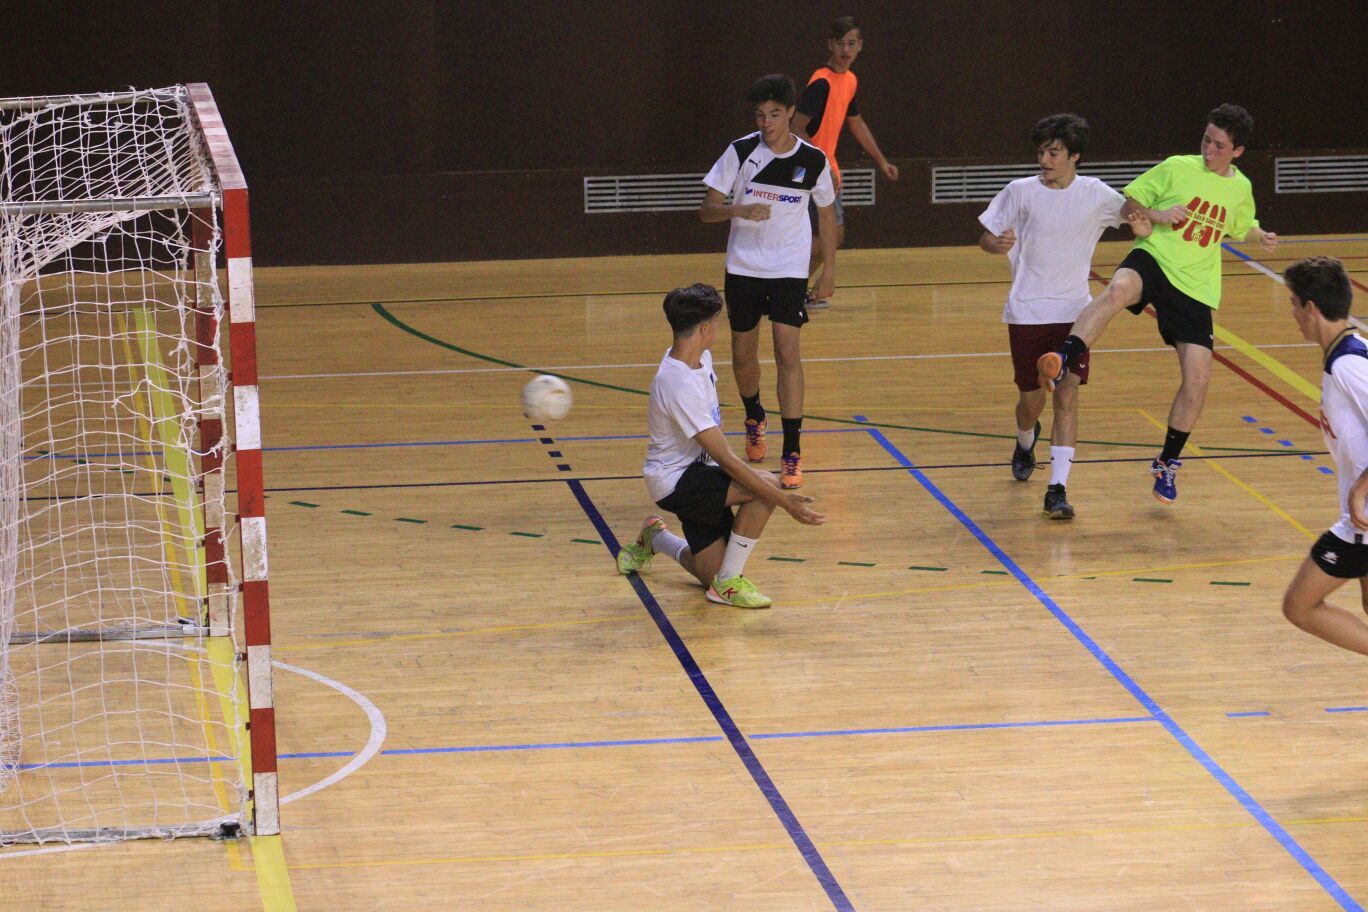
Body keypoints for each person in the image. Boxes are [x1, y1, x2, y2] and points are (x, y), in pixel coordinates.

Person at [1035, 103, 1278, 504]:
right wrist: (1158, 215)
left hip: (1195, 284)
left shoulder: (1240, 188)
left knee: (1198, 378)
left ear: (1237, 151)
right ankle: (1063, 357)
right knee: (1117, 290)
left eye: (1219, 145)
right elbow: (1130, 204)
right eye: (1206, 140)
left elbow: (1241, 225)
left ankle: (1167, 462)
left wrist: (1259, 236)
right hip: (1154, 258)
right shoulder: (1177, 167)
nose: (1208, 150)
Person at [978, 113, 1151, 519]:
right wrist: (995, 244)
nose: (1044, 160)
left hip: (1075, 315)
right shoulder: (1019, 191)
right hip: (1026, 313)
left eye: (1053, 153)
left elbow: (1132, 213)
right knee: (1031, 402)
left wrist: (1145, 222)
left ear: (1075, 156)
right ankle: (1025, 441)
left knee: (1067, 396)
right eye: (1041, 152)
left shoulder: (1095, 194)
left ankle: (1057, 489)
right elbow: (985, 236)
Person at [615, 284, 825, 608]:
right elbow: (726, 459)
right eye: (715, 322)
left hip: (700, 472)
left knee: (708, 572)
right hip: (677, 481)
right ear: (704, 328)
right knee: (766, 487)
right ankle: (727, 584)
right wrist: (786, 502)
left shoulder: (699, 358)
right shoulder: (677, 383)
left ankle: (656, 538)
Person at [701, 74, 836, 489]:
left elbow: (826, 214)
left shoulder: (813, 160)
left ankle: (792, 450)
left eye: (774, 114)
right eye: (760, 115)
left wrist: (829, 269)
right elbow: (707, 210)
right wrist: (739, 210)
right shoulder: (741, 152)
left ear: (791, 112)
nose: (767, 123)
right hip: (743, 268)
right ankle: (754, 414)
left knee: (787, 350)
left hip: (789, 270)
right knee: (743, 355)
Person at [1278, 258, 1368, 655]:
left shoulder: (1349, 365)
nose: (1293, 314)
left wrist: (1361, 488)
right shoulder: (1347, 354)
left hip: (1363, 524)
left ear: (1311, 308)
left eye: (1294, 303)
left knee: (1300, 606)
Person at [792, 14, 899, 308]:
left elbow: (856, 122)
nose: (845, 50)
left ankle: (793, 291)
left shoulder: (849, 80)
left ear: (860, 45)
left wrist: (881, 161)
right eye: (840, 43)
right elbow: (796, 127)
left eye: (851, 43)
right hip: (808, 169)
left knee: (831, 236)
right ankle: (783, 283)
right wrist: (823, 164)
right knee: (828, 236)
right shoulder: (821, 83)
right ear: (830, 44)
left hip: (826, 170)